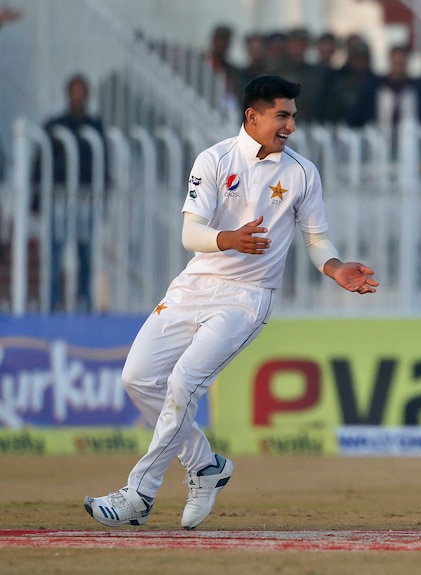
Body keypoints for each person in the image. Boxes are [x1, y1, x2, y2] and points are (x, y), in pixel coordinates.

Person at [83, 75, 378, 530]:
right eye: (282, 117)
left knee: (183, 384)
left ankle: (138, 495)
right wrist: (229, 239)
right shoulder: (215, 159)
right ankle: (206, 466)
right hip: (193, 286)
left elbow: (317, 238)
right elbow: (190, 234)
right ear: (252, 116)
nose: (290, 128)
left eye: (293, 117)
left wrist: (335, 267)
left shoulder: (301, 172)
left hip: (247, 298)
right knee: (138, 378)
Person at [35, 74, 107, 313]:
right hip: (59, 197)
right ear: (68, 94)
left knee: (85, 255)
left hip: (86, 198)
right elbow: (40, 161)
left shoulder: (95, 126)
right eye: (74, 91)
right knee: (55, 254)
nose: (78, 96)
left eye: (81, 91)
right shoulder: (56, 125)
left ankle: (84, 303)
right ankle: (51, 303)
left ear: (87, 95)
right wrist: (35, 199)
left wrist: (103, 195)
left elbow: (103, 163)